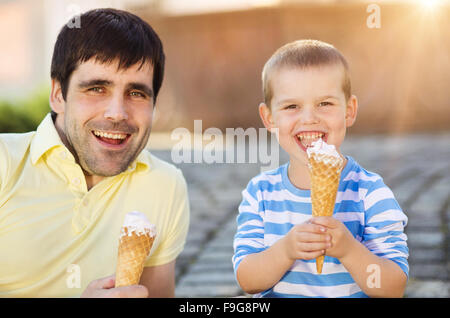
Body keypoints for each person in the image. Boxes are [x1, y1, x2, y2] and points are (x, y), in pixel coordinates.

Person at [0, 8, 189, 297]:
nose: (117, 113)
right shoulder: (5, 162)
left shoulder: (165, 185)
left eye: (137, 93)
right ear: (58, 95)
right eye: (97, 88)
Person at [232, 39, 408, 297]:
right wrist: (286, 250)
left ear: (349, 111)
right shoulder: (260, 193)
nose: (309, 118)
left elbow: (393, 287)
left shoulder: (370, 193)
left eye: (324, 103)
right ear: (269, 118)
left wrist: (350, 250)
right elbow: (248, 280)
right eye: (292, 106)